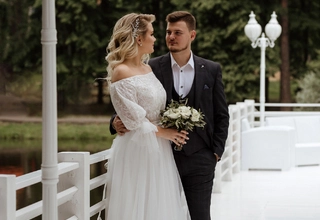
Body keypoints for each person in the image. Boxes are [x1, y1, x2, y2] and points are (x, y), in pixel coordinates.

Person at [110, 11, 229, 220]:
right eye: (167, 32)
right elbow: (128, 104)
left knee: (201, 216)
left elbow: (221, 114)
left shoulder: (210, 69)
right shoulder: (151, 67)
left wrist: (215, 153)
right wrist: (114, 122)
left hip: (200, 159)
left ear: (192, 35)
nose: (170, 37)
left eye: (177, 32)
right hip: (159, 156)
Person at [104, 13, 191, 220]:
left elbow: (155, 107)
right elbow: (134, 120)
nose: (155, 38)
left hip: (159, 147)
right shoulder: (121, 72)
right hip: (138, 149)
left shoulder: (147, 68)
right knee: (138, 204)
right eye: (151, 34)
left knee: (159, 205)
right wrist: (167, 133)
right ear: (139, 38)